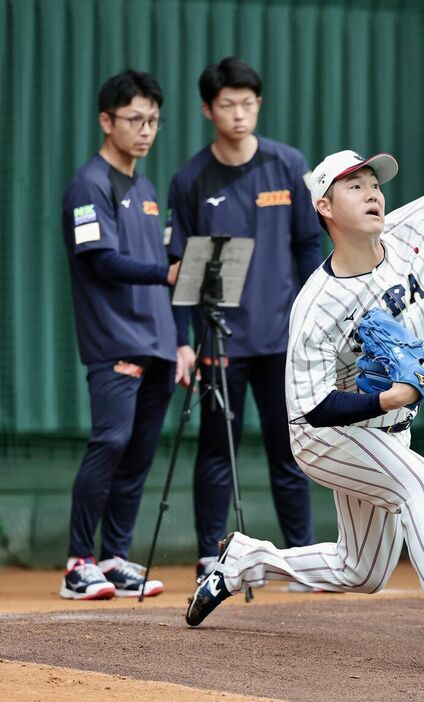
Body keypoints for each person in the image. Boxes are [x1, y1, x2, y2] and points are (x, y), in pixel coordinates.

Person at [185, 31, 424, 677]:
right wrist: (386, 396)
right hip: (324, 431)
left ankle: (246, 558)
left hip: (388, 426)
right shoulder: (315, 305)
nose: (372, 189)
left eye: (373, 180)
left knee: (363, 572)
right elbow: (314, 408)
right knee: (422, 484)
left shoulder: (418, 228)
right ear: (324, 207)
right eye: (353, 184)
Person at [166, 58, 323, 582]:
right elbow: (185, 269)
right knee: (216, 449)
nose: (239, 114)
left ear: (259, 105)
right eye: (228, 104)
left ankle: (301, 556)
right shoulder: (190, 179)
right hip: (220, 344)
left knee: (291, 449)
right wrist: (185, 341)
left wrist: (310, 316)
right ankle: (214, 555)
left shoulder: (287, 165)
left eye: (248, 103)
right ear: (208, 109)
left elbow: (307, 245)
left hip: (281, 341)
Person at [60, 70, 180, 600]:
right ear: (106, 121)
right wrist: (167, 273)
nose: (146, 130)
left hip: (157, 342)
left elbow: (157, 268)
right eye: (135, 119)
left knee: (137, 453)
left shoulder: (147, 188)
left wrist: (178, 340)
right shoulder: (89, 184)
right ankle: (77, 563)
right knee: (110, 442)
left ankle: (114, 559)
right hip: (114, 341)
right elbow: (101, 259)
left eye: (153, 120)